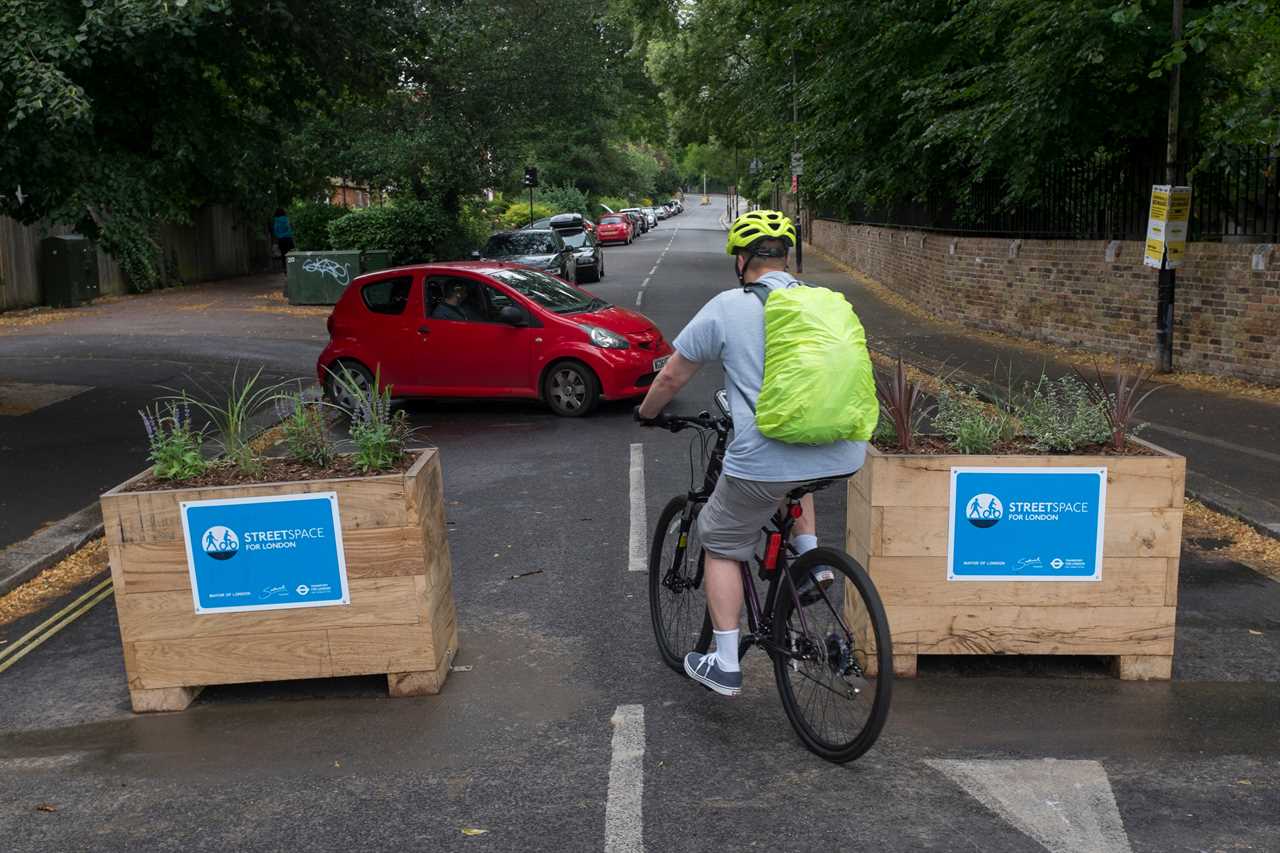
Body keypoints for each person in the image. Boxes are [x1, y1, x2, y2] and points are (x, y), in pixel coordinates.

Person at [635, 210, 867, 697]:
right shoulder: (823, 302)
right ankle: (812, 562)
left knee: (719, 536)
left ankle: (723, 661)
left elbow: (672, 377)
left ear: (741, 260)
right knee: (794, 479)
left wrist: (648, 413)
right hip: (843, 449)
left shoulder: (727, 307)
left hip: (766, 458)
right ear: (787, 257)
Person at [271, 208, 294, 274]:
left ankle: (285, 268)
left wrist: (280, 236)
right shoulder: (286, 219)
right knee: (290, 254)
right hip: (288, 239)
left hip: (281, 240)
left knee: (284, 254)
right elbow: (289, 229)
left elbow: (275, 231)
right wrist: (287, 234)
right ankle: (291, 267)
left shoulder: (276, 221)